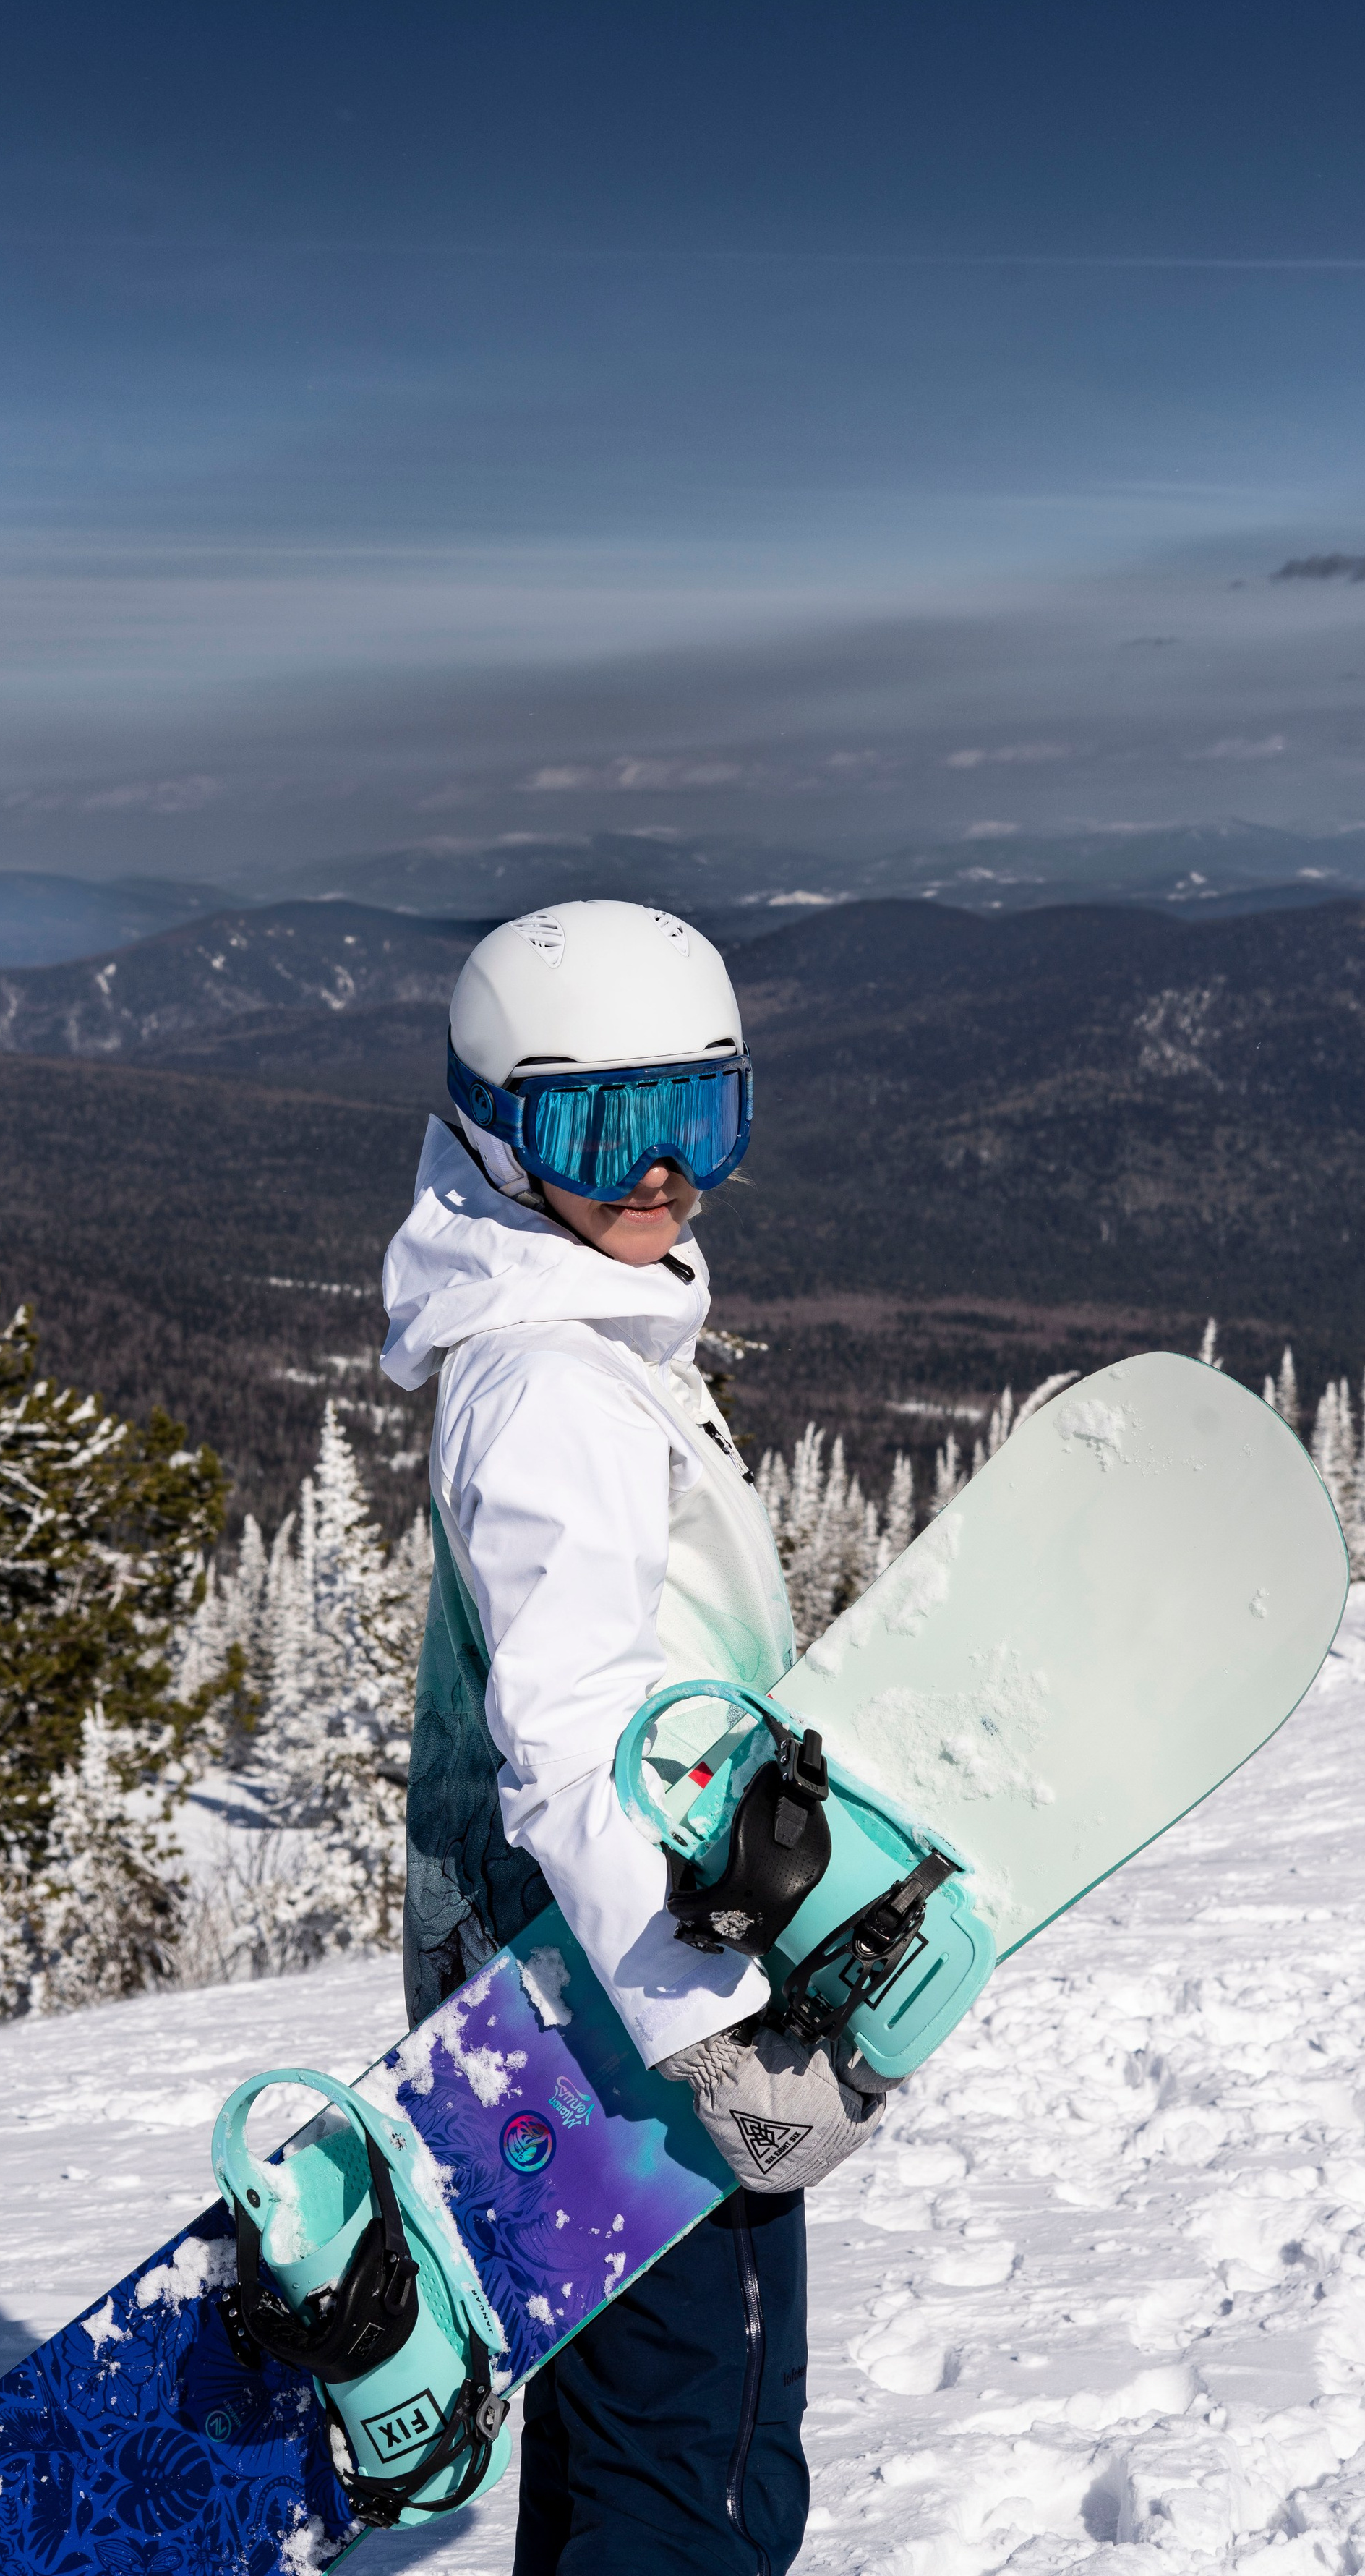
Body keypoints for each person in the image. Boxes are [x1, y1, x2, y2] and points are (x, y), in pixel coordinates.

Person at [380, 898, 892, 2576]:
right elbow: (566, 1737)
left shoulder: (562, 1339)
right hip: (631, 2014)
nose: (662, 1176)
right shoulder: (549, 1393)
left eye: (701, 1119)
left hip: (561, 1990)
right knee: (700, 2466)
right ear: (493, 1129)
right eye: (608, 1130)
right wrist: (718, 2036)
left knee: (619, 2450)